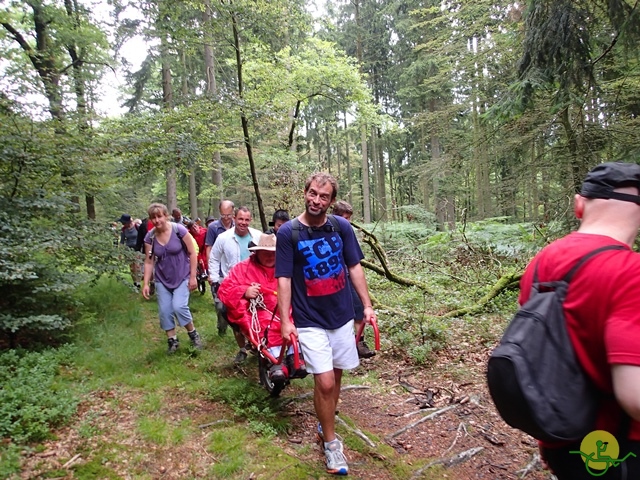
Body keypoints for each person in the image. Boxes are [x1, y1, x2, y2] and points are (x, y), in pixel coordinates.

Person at [517, 162, 640, 479]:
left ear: (578, 205)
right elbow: (634, 397)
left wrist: (547, 438)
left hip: (561, 439)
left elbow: (538, 356)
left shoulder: (541, 261)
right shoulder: (632, 273)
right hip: (620, 451)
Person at [276, 172, 377, 476]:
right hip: (309, 319)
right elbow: (283, 279)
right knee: (325, 382)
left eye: (323, 196)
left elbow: (354, 267)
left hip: (342, 316)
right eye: (312, 194)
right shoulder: (289, 233)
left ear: (331, 201)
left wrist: (368, 306)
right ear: (304, 193)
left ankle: (325, 422)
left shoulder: (341, 227)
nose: (316, 200)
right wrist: (285, 320)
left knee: (336, 374)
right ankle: (332, 445)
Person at [217, 233, 306, 382]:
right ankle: (275, 361)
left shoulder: (286, 267)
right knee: (266, 325)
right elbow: (225, 290)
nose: (270, 256)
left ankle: (295, 356)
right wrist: (244, 291)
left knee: (296, 319)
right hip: (259, 311)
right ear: (256, 252)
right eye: (265, 253)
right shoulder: (242, 268)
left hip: (284, 307)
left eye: (273, 253)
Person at [141, 203, 204, 354]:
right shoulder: (150, 237)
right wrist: (145, 283)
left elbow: (192, 253)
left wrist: (193, 276)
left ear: (166, 216)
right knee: (164, 310)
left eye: (159, 216)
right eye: (153, 217)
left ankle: (193, 334)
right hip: (162, 279)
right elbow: (149, 261)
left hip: (182, 275)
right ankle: (172, 340)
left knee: (179, 306)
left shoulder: (179, 230)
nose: (157, 220)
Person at [209, 206, 262, 363]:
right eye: (240, 219)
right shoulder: (224, 238)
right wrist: (213, 277)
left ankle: (258, 346)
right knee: (233, 317)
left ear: (250, 220)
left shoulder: (258, 236)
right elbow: (214, 257)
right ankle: (242, 348)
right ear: (234, 218)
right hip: (232, 284)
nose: (243, 223)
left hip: (255, 284)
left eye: (246, 220)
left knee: (256, 316)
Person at [332, 200, 375, 359]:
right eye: (345, 218)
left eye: (349, 218)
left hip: (349, 276)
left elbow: (354, 260)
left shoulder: (347, 231)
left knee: (359, 307)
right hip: (334, 280)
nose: (348, 222)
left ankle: (359, 341)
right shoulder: (325, 230)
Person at [205, 200, 235, 335]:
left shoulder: (238, 226)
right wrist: (211, 272)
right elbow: (209, 248)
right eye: (223, 215)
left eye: (228, 215)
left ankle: (238, 330)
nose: (226, 218)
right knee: (219, 304)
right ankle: (221, 327)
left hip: (233, 271)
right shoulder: (213, 228)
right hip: (218, 271)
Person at [119, 213, 141, 289]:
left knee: (137, 266)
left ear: (128, 222)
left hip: (137, 248)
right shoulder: (123, 229)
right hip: (128, 250)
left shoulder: (137, 227)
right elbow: (122, 241)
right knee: (132, 267)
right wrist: (120, 252)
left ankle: (138, 282)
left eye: (124, 222)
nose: (123, 224)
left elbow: (142, 237)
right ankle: (135, 282)